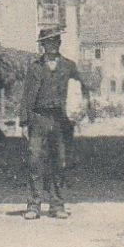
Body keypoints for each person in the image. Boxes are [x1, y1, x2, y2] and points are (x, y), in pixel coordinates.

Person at [17, 29, 85, 220]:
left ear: (59, 43)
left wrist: (78, 113)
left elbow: (79, 92)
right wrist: (23, 122)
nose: (52, 45)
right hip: (38, 119)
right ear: (42, 45)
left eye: (55, 42)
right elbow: (27, 95)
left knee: (60, 161)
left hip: (61, 121)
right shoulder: (35, 67)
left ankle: (57, 205)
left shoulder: (69, 66)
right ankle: (34, 205)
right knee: (34, 160)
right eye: (48, 42)